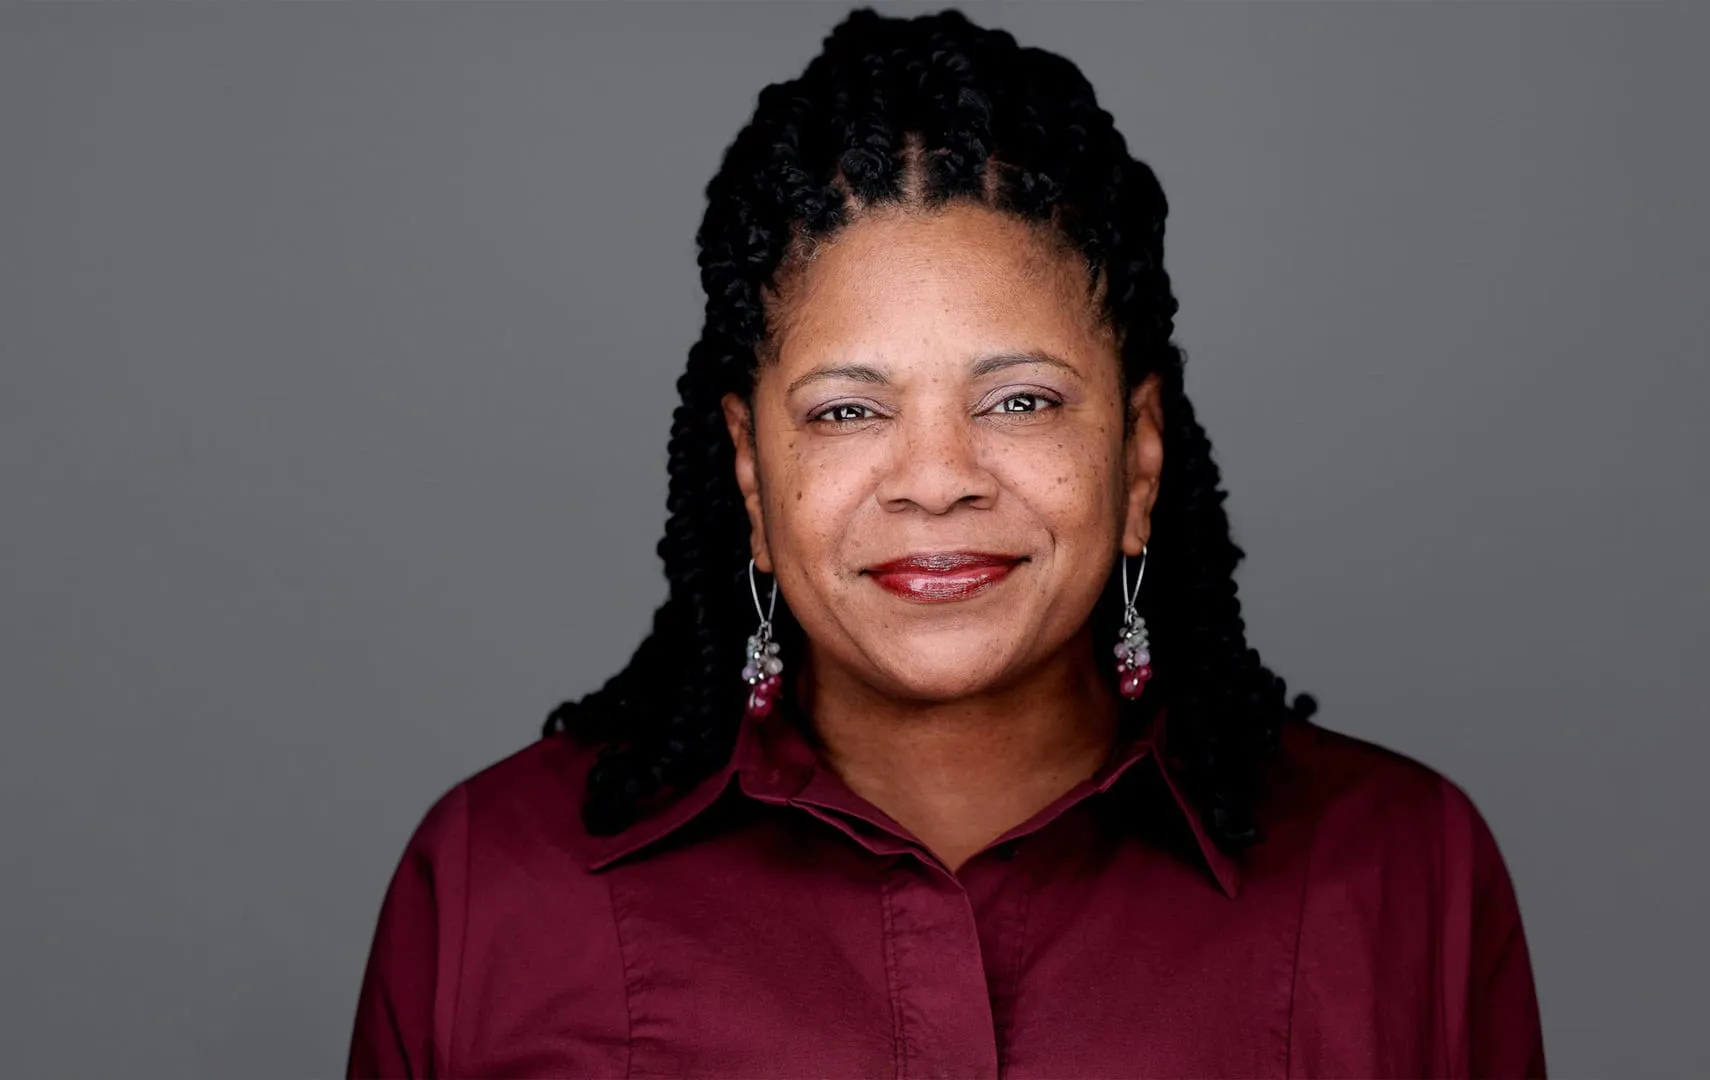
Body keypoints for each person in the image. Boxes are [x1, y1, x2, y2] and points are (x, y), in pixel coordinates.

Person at [345, 7, 1546, 1078]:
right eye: (846, 411)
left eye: (1019, 400)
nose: (935, 482)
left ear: (1139, 456)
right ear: (752, 474)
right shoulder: (495, 888)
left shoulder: (1404, 875)